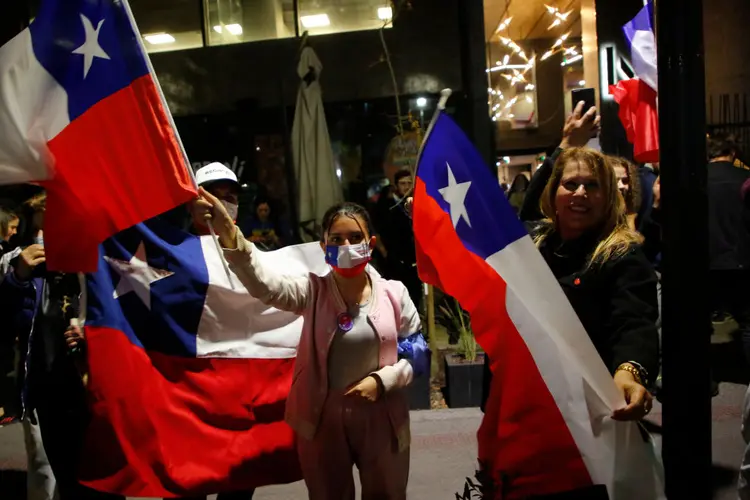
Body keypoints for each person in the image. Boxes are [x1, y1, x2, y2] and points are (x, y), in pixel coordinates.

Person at [198, 194, 427, 500]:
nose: (346, 246)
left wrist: (384, 381)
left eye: (355, 238)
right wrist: (229, 232)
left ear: (370, 243)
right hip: (322, 420)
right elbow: (264, 284)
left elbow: (419, 353)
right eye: (337, 239)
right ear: (323, 247)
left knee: (387, 493)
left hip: (382, 417)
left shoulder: (394, 294)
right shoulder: (311, 291)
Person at [487, 102, 659, 425]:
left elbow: (635, 323)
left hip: (588, 405)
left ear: (607, 196)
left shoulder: (622, 254)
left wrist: (629, 373)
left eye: (592, 185)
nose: (580, 193)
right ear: (553, 194)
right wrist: (566, 144)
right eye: (570, 184)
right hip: (530, 397)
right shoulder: (537, 240)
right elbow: (528, 208)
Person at [0, 192, 123, 500]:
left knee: (106, 484)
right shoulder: (23, 264)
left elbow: (129, 319)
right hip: (47, 393)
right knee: (63, 479)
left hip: (96, 393)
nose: (42, 238)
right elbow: (5, 320)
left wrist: (92, 334)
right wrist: (18, 277)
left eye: (51, 224)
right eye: (37, 229)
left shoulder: (102, 262)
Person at [379, 169, 422, 311]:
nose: (406, 186)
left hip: (414, 261)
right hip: (395, 261)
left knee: (415, 298)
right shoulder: (387, 205)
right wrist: (385, 253)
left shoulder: (416, 202)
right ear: (396, 185)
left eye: (409, 183)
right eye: (402, 183)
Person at [610, 157, 641, 231]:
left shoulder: (634, 218)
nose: (621, 186)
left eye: (625, 181)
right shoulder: (593, 219)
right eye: (614, 180)